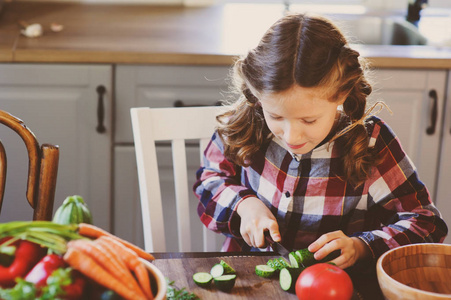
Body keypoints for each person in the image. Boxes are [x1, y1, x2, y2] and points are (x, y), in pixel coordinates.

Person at [193, 12, 448, 270]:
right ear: (258, 97)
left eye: (309, 120)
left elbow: (426, 223)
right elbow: (210, 179)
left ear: (341, 95)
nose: (291, 136)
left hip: (338, 283)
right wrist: (244, 205)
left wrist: (362, 246)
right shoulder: (246, 124)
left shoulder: (370, 143)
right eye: (276, 116)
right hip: (249, 273)